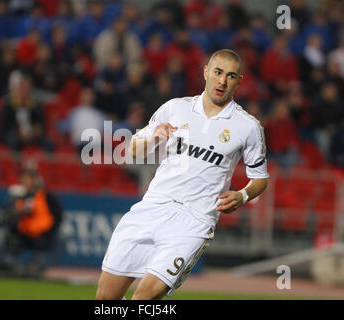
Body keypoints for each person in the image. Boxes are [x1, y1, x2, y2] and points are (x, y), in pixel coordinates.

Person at [96, 49, 269, 300]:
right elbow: (131, 149)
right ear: (206, 72)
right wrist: (151, 138)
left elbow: (260, 178)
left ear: (239, 81)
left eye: (230, 76)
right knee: (105, 299)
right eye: (218, 72)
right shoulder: (175, 108)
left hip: (194, 220)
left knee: (144, 298)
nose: (222, 81)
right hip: (152, 207)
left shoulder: (248, 126)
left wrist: (242, 196)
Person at [0, 169, 63, 274]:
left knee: (63, 236)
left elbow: (57, 217)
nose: (25, 182)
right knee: (4, 237)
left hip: (43, 234)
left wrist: (47, 232)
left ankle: (38, 267)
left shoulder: (46, 197)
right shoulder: (19, 197)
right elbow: (7, 216)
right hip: (24, 233)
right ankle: (3, 264)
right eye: (23, 179)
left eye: (28, 179)